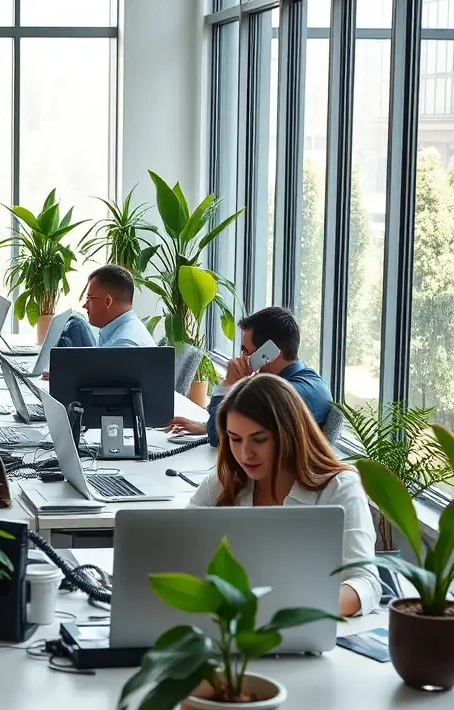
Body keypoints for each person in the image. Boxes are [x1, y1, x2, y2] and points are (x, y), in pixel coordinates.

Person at [189, 373, 381, 617]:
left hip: (302, 626)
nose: (245, 454)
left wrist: (291, 610)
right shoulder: (229, 478)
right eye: (235, 439)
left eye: (259, 440)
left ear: (288, 434)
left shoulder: (340, 487)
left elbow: (366, 582)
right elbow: (182, 545)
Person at [166, 306, 332, 447]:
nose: (241, 357)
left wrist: (229, 384)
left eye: (245, 350)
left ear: (269, 353)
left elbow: (218, 436)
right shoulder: (306, 381)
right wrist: (204, 426)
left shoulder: (284, 393)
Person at [81, 264, 156, 347]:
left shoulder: (123, 345)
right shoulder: (125, 331)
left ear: (107, 301)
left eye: (89, 298)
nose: (85, 305)